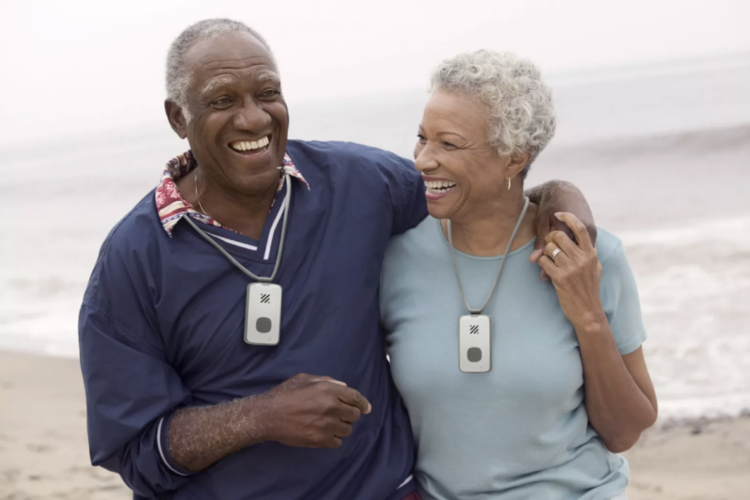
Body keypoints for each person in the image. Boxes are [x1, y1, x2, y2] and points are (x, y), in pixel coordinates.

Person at [79, 20, 597, 500]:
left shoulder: (359, 181)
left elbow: (475, 192)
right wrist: (260, 417)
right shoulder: (133, 257)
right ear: (178, 118)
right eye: (222, 100)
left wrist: (561, 197)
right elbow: (133, 450)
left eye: (267, 93)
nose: (253, 117)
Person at [380, 50, 658, 500]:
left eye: (448, 144)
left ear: (514, 159)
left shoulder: (589, 255)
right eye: (421, 138)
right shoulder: (395, 256)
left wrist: (588, 316)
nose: (423, 161)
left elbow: (624, 432)